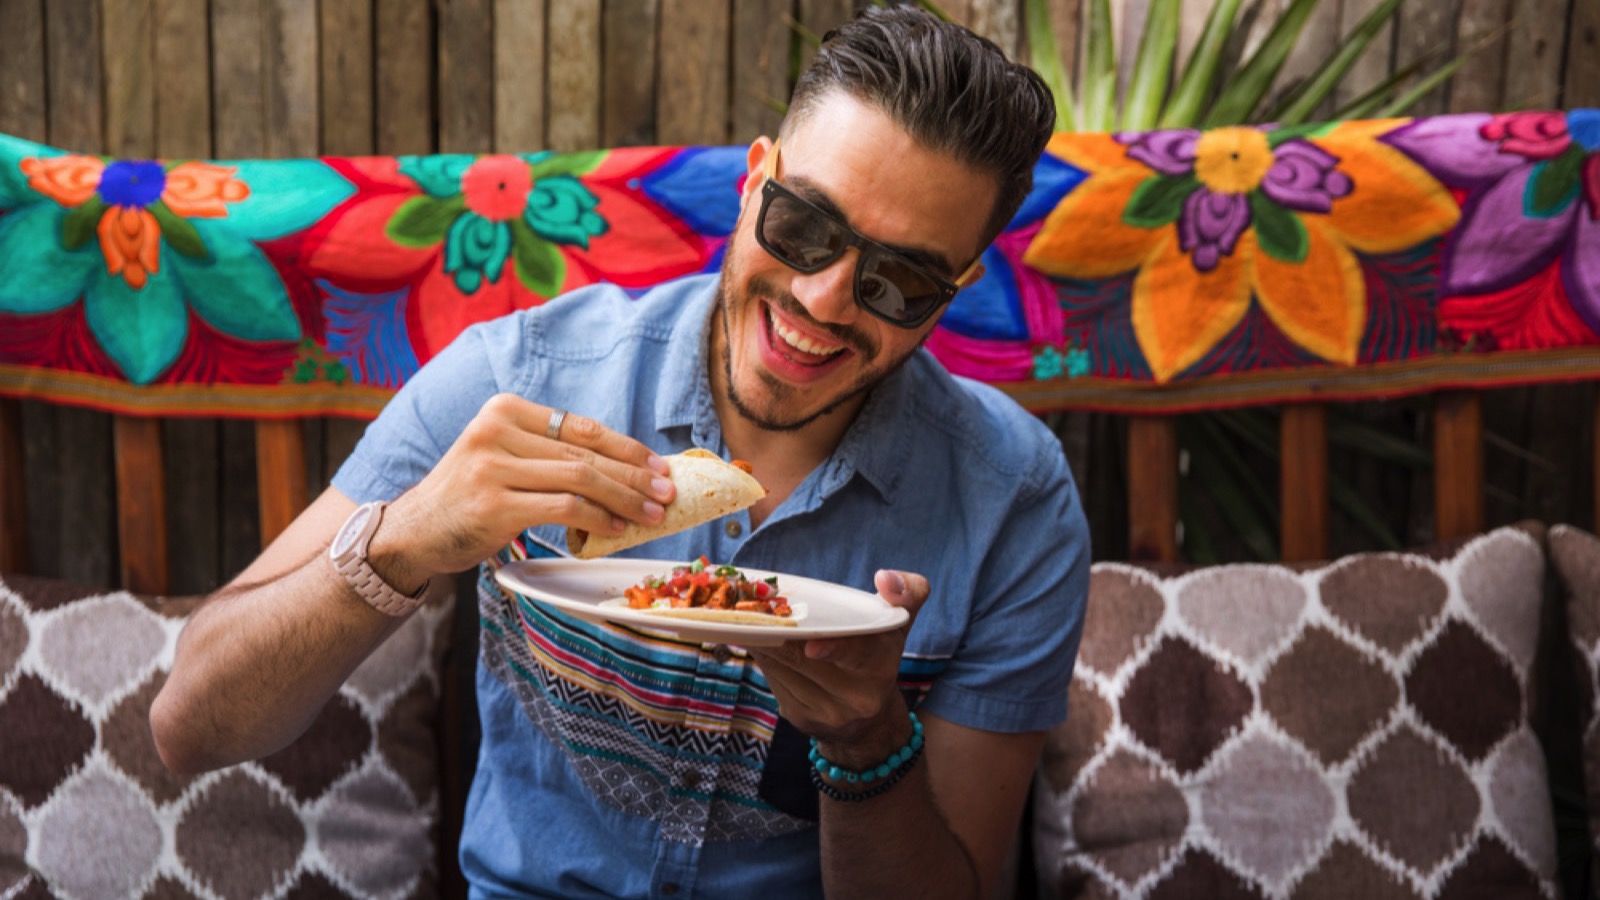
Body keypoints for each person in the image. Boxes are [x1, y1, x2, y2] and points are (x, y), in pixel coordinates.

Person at [152, 6, 1089, 898]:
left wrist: (866, 744)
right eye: (804, 225)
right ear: (755, 178)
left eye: (900, 280)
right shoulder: (516, 380)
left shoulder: (1016, 501)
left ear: (957, 287)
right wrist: (401, 542)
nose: (823, 298)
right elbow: (189, 725)